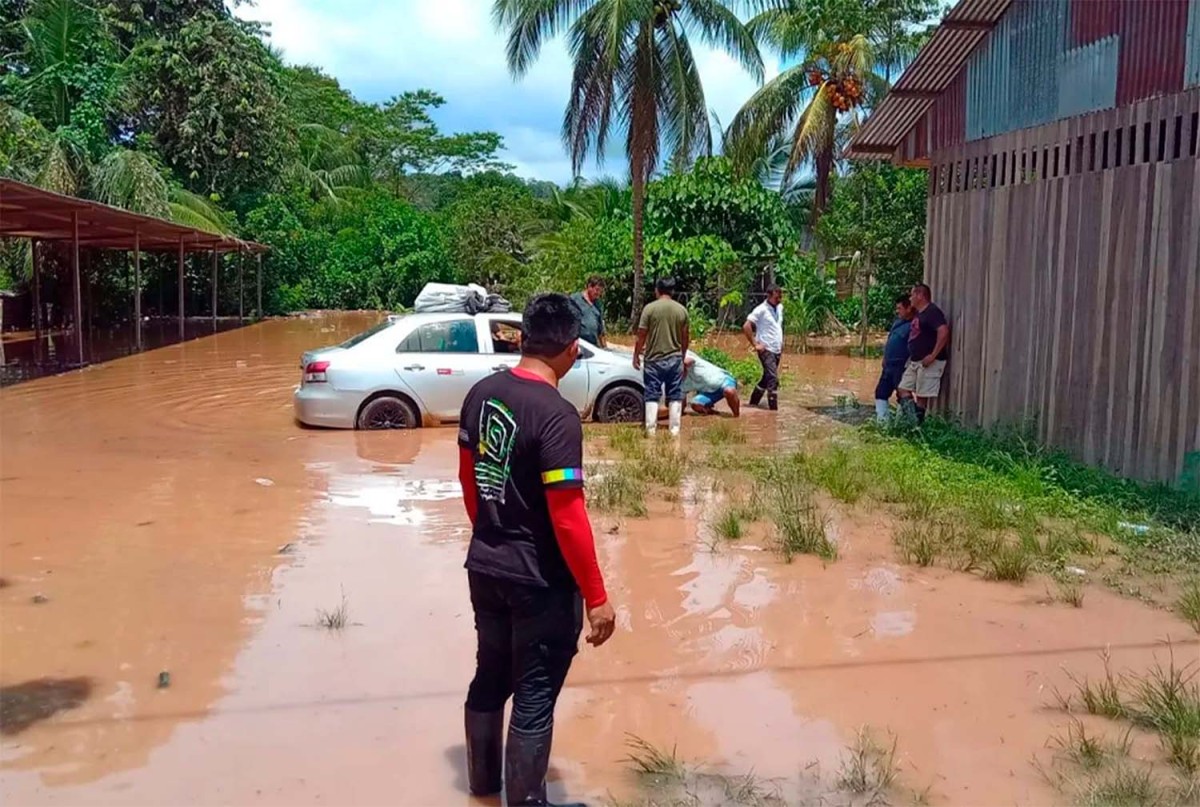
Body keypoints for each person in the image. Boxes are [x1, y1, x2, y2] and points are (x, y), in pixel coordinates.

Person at [457, 293, 616, 807]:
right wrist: (597, 596)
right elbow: (568, 516)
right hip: (539, 582)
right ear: (572, 349)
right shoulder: (557, 415)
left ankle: (482, 788)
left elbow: (469, 481)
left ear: (523, 338)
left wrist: (493, 536)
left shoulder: (480, 394)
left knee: (489, 676)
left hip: (485, 567)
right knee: (533, 697)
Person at [633, 277, 689, 436]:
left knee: (652, 394)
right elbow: (685, 337)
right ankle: (674, 431)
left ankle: (650, 430)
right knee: (675, 395)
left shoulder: (649, 309)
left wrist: (636, 355)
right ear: (672, 291)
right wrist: (682, 357)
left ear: (657, 290)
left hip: (653, 360)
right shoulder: (681, 310)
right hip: (675, 359)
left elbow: (641, 334)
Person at [897, 283, 950, 424]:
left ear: (920, 295)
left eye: (912, 294)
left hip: (929, 361)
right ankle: (913, 422)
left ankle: (916, 429)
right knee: (903, 389)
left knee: (921, 397)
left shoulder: (932, 312)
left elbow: (943, 332)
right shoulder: (919, 314)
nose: (910, 298)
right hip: (915, 361)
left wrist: (933, 355)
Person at [743, 284, 785, 411]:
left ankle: (753, 403)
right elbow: (746, 326)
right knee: (773, 378)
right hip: (766, 349)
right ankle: (773, 411)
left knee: (767, 377)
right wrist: (755, 344)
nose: (779, 300)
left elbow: (778, 326)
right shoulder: (761, 310)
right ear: (769, 296)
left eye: (780, 297)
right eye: (777, 298)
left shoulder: (780, 308)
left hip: (776, 349)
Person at [874, 295, 915, 422]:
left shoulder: (915, 324)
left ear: (909, 308)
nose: (898, 311)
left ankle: (902, 423)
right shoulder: (898, 322)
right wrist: (885, 357)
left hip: (901, 365)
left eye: (900, 308)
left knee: (902, 394)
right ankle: (882, 423)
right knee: (881, 392)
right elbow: (890, 339)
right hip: (888, 365)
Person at [683, 350, 740, 417]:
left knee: (729, 391)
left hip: (723, 381)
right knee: (696, 404)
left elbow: (687, 362)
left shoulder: (684, 354)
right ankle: (715, 413)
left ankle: (736, 415)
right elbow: (681, 399)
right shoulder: (679, 379)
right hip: (708, 392)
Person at [569, 276, 606, 348]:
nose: (598, 293)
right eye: (597, 290)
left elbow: (600, 330)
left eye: (600, 291)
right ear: (589, 286)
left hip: (593, 346)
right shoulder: (575, 299)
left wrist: (604, 348)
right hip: (579, 345)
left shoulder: (598, 304)